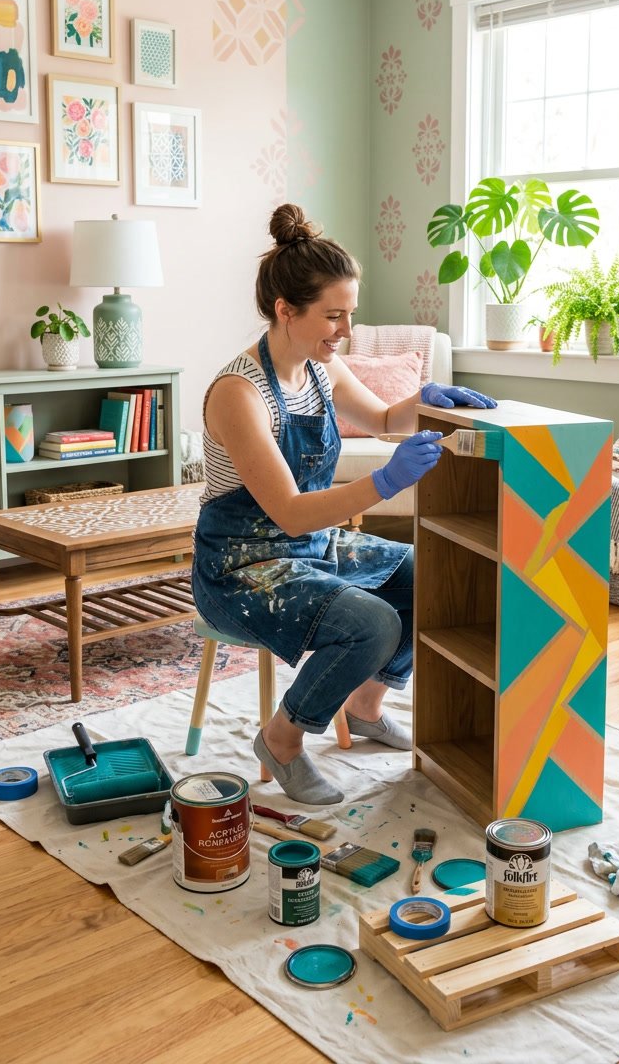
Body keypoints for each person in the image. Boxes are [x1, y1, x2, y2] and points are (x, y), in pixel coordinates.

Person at [192, 203, 497, 805]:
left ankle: (364, 705)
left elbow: (384, 418)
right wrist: (384, 482)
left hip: (313, 547)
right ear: (286, 310)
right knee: (371, 621)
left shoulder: (318, 370)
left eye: (349, 314)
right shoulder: (239, 392)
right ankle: (282, 741)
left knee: (427, 572)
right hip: (241, 567)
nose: (345, 331)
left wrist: (425, 399)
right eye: (333, 316)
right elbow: (288, 513)